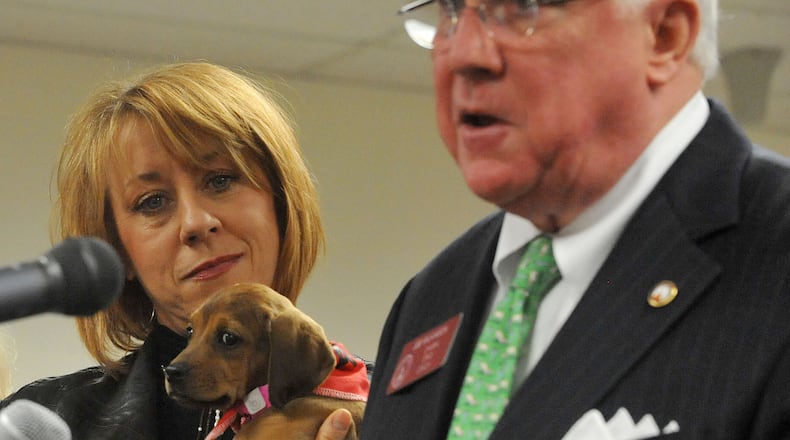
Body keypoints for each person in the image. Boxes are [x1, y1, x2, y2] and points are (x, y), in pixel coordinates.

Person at [356, 0, 790, 438]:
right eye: (450, 10)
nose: (466, 53)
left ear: (664, 35)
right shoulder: (430, 298)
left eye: (522, 7)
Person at [0, 62, 362, 440]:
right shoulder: (43, 421)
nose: (195, 222)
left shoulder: (400, 407)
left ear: (281, 204)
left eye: (220, 180)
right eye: (152, 202)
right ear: (117, 250)